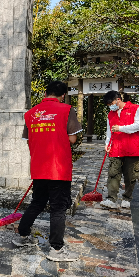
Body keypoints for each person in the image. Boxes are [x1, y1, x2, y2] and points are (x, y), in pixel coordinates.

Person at [12, 81, 83, 262]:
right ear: (63, 95)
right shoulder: (67, 110)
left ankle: (22, 235)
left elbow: (29, 141)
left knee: (37, 202)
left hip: (39, 166)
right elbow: (73, 139)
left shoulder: (30, 114)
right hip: (58, 168)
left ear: (46, 93)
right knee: (58, 208)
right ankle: (56, 249)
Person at [100, 91, 139, 209]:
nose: (110, 107)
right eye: (108, 105)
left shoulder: (134, 108)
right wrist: (107, 144)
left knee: (130, 175)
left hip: (132, 148)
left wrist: (121, 128)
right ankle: (111, 199)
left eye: (111, 104)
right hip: (116, 148)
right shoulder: (111, 114)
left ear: (118, 100)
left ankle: (126, 198)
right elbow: (109, 131)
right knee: (113, 173)